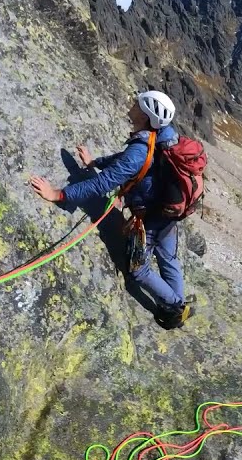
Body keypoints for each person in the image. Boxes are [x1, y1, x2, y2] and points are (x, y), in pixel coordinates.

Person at [29, 90, 193, 329]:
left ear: (146, 116)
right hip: (168, 215)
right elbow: (125, 160)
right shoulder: (161, 138)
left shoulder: (140, 149)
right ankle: (177, 304)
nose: (132, 104)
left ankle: (176, 307)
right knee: (168, 257)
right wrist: (96, 162)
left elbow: (103, 183)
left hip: (151, 219)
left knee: (138, 271)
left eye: (137, 104)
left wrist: (59, 194)